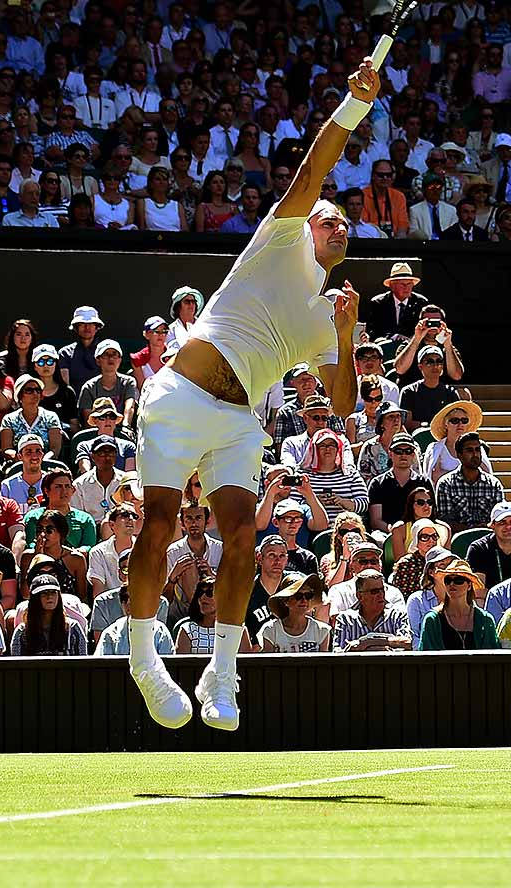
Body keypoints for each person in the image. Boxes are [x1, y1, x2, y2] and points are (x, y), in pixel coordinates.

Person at [125, 60, 377, 730]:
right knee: (157, 525)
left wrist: (347, 337)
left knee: (242, 537)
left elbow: (345, 405)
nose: (334, 226)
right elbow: (311, 173)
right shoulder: (279, 238)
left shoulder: (332, 313)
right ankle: (144, 660)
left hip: (238, 422)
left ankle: (223, 672)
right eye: (326, 219)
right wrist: (351, 109)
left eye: (342, 225)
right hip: (178, 397)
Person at [333, 568, 413, 651]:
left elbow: (407, 643)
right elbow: (338, 652)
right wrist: (383, 648)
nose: (381, 594)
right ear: (359, 596)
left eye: (382, 590)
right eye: (374, 591)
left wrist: (368, 642)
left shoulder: (397, 615)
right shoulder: (345, 619)